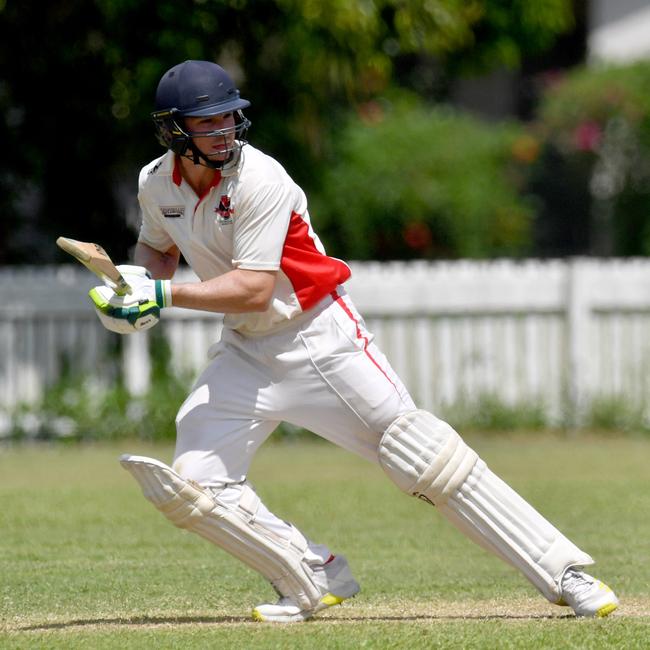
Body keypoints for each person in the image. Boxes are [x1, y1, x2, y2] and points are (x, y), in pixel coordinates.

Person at [89, 60, 619, 623]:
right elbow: (159, 251)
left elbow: (253, 287)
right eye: (207, 122)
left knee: (424, 458)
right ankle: (312, 572)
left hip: (321, 338)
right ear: (174, 130)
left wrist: (162, 298)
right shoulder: (155, 183)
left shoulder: (260, 180)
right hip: (246, 350)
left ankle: (566, 573)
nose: (223, 131)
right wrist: (135, 286)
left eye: (229, 117)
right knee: (193, 485)